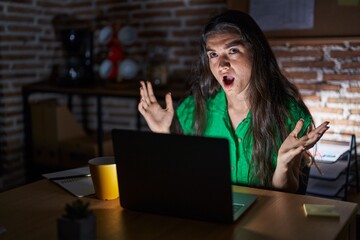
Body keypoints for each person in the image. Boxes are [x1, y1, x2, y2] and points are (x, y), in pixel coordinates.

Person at [138, 10, 329, 193]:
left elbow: (286, 197)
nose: (221, 65)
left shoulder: (291, 116)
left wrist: (283, 164)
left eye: (233, 50)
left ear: (256, 52)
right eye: (213, 54)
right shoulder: (193, 108)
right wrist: (164, 135)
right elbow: (181, 177)